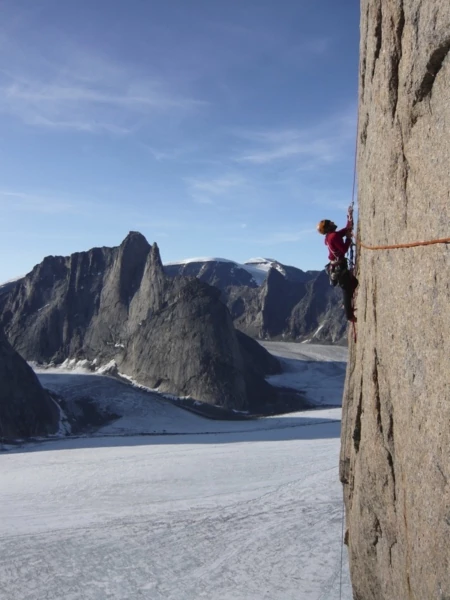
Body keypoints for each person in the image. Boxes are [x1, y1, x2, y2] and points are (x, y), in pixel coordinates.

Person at [316, 219, 358, 322]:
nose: (332, 222)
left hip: (337, 266)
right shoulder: (333, 237)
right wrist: (348, 239)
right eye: (330, 222)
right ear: (328, 227)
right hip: (339, 267)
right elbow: (343, 250)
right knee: (347, 290)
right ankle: (349, 315)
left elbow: (343, 231)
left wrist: (349, 219)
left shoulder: (331, 236)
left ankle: (346, 304)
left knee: (353, 283)